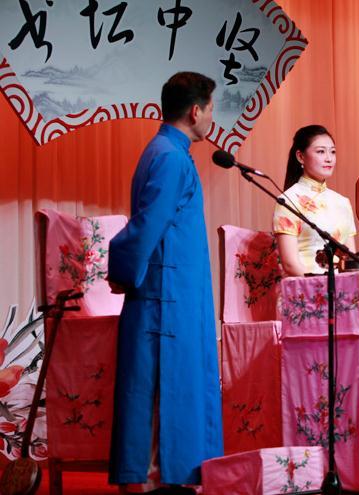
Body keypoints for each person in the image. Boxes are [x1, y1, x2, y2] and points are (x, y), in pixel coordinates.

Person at [107, 72, 223, 494]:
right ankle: (158, 479)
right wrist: (123, 271)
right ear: (195, 111)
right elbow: (148, 223)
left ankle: (163, 477)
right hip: (167, 295)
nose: (211, 117)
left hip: (173, 287)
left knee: (163, 380)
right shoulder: (171, 156)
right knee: (161, 382)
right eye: (210, 109)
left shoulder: (166, 150)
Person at [272, 125, 357, 276]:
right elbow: (290, 264)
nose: (329, 158)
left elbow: (351, 259)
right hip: (305, 284)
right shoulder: (288, 200)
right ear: (300, 156)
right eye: (321, 151)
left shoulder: (343, 202)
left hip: (342, 285)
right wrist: (320, 285)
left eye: (332, 152)